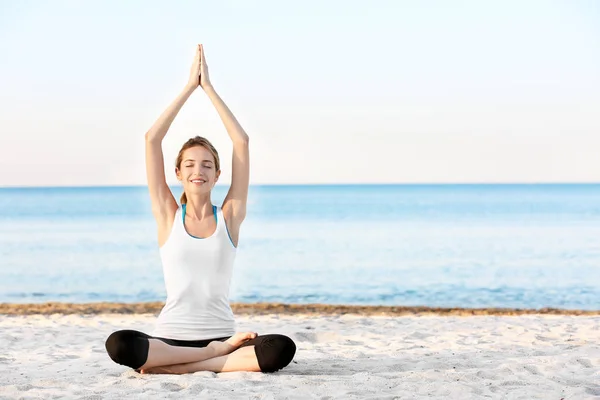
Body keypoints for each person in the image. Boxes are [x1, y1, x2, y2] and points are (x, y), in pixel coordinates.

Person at [104, 44, 296, 375]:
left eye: (207, 165)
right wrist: (189, 89)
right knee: (120, 343)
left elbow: (242, 143)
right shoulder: (167, 215)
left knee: (280, 347)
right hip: (169, 339)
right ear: (177, 173)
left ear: (218, 175)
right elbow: (152, 139)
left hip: (224, 336)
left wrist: (209, 89)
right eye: (190, 164)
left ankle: (183, 366)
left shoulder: (230, 216)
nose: (199, 170)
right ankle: (214, 360)